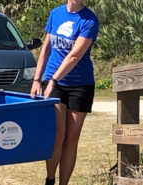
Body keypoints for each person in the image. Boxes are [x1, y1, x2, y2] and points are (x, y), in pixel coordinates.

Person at [30, 0, 99, 185]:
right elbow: (46, 48)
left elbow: (74, 56)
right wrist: (37, 79)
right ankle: (50, 179)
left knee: (71, 138)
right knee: (57, 134)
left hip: (80, 84)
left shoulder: (90, 20)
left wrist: (53, 80)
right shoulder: (56, 13)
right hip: (54, 83)